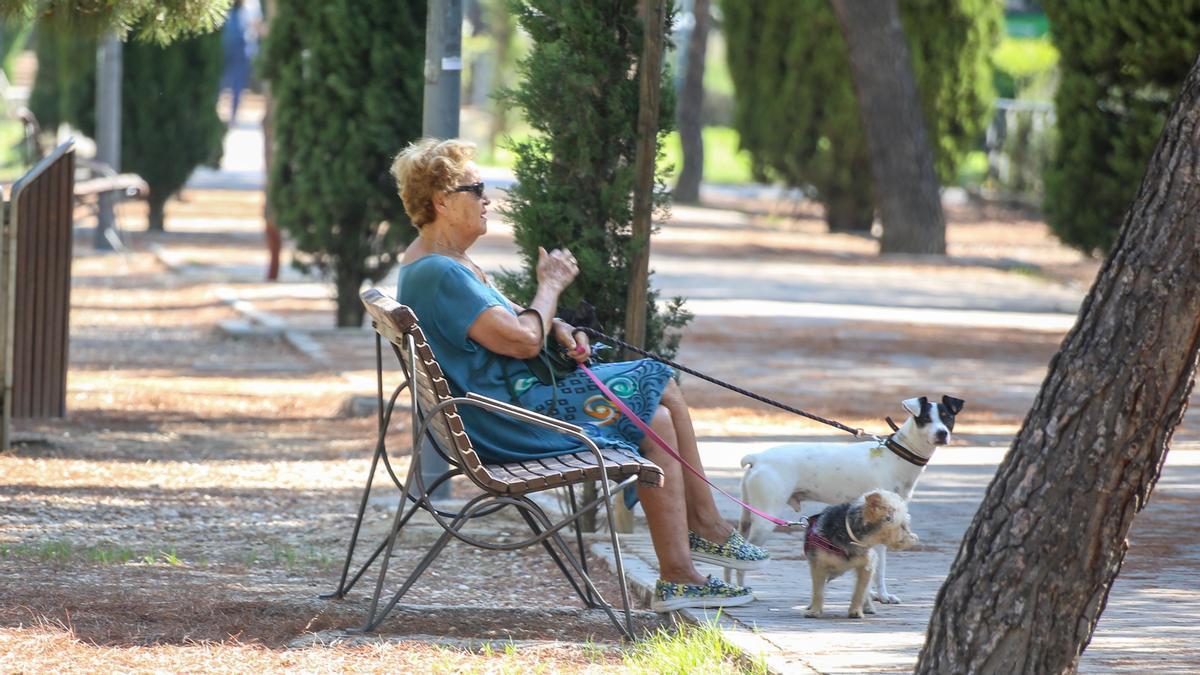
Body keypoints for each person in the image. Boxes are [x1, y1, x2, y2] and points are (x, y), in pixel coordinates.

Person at [390, 138, 769, 612]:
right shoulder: (439, 274)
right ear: (442, 201)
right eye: (476, 188)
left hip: (506, 407)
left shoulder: (442, 262)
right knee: (657, 379)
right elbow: (524, 338)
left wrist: (561, 325)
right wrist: (549, 285)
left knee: (658, 412)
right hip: (509, 422)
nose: (487, 199)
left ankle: (683, 569)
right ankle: (706, 531)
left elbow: (519, 321)